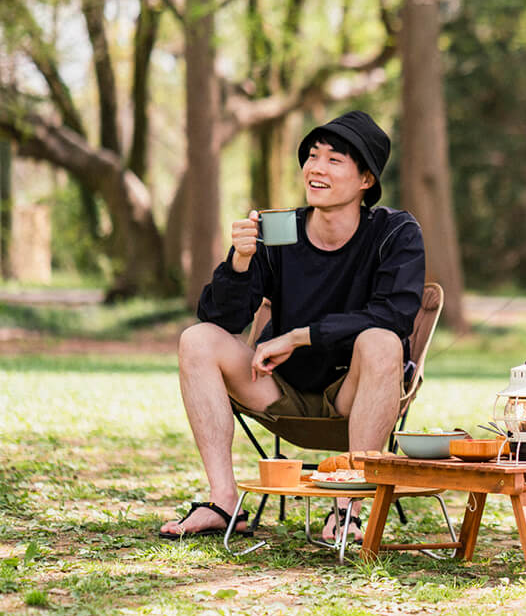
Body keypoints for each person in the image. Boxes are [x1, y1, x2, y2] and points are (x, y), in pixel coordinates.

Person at [159, 110, 425, 543]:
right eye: (312, 156)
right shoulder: (281, 231)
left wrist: (301, 337)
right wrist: (240, 261)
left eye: (334, 160)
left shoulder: (394, 233)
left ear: (366, 180)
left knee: (381, 342)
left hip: (351, 394)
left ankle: (349, 509)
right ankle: (223, 502)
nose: (316, 168)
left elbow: (393, 317)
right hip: (277, 389)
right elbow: (220, 321)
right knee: (197, 340)